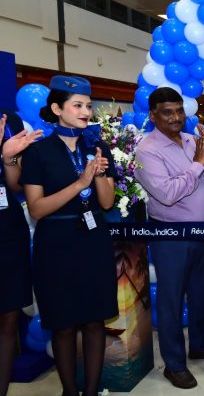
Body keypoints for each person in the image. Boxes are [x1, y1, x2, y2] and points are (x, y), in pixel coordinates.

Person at [20, 76, 118, 396]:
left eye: (88, 105)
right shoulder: (38, 152)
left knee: (94, 321)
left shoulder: (98, 147)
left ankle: (91, 390)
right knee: (62, 325)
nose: (86, 111)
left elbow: (106, 203)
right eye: (77, 105)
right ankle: (70, 391)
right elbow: (37, 208)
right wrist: (79, 184)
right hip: (56, 245)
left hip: (94, 241)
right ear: (56, 109)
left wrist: (98, 174)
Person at [134, 87, 204, 389]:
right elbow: (167, 194)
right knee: (172, 301)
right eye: (167, 112)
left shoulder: (193, 141)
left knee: (202, 294)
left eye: (179, 111)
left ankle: (200, 344)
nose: (176, 117)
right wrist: (199, 162)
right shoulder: (147, 151)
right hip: (172, 237)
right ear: (153, 116)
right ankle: (174, 364)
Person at [0, 110, 40, 396]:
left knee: (8, 317)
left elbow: (16, 186)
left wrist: (8, 158)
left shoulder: (10, 122)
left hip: (8, 231)